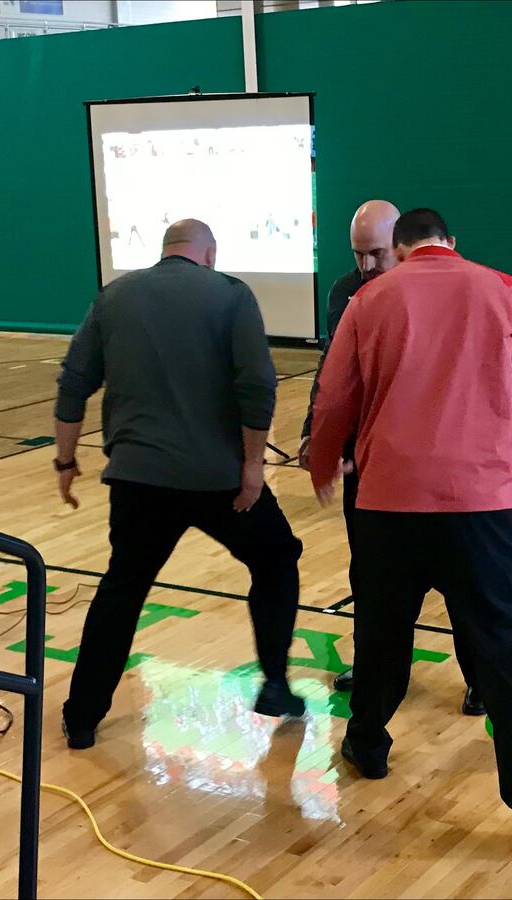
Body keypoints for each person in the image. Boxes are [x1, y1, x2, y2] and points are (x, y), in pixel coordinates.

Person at [308, 209, 512, 857]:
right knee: (504, 658)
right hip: (482, 510)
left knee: (381, 638)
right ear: (452, 244)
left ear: (402, 249)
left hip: (386, 508)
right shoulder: (506, 291)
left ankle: (368, 744)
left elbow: (332, 400)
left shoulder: (367, 299)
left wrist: (323, 465)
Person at [53, 218, 306, 749]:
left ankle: (82, 716)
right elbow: (257, 384)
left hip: (137, 480)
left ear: (165, 251)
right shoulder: (231, 295)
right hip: (219, 482)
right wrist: (255, 465)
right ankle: (276, 685)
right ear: (208, 254)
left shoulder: (114, 296)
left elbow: (74, 380)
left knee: (123, 587)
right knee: (276, 557)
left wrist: (65, 460)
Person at [299, 199, 482, 716]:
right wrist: (317, 433)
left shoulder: (458, 290)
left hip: (446, 468)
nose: (366, 266)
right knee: (370, 576)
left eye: (376, 253)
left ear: (400, 246)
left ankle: (481, 677)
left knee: (462, 580)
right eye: (357, 255)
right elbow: (333, 371)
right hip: (371, 466)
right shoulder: (345, 293)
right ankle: (374, 666)